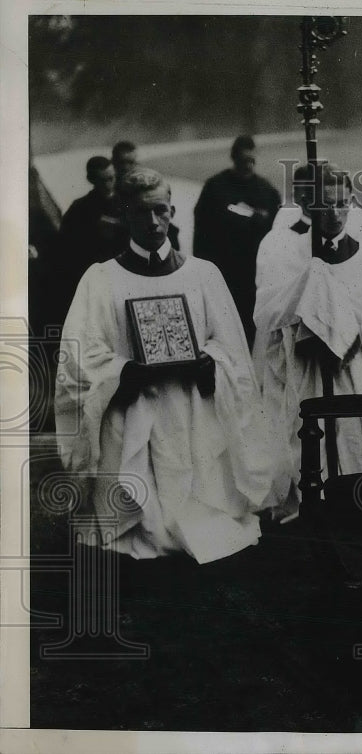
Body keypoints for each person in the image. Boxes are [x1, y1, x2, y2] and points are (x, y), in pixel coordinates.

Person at [55, 168, 274, 563]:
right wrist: (123, 372)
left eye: (160, 211)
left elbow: (231, 350)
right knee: (142, 516)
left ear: (172, 211)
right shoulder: (101, 279)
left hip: (191, 409)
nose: (153, 223)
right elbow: (80, 358)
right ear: (124, 215)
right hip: (133, 408)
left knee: (207, 517)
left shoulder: (203, 275)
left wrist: (210, 362)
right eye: (141, 213)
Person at [253, 161, 362, 516]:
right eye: (326, 204)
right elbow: (268, 310)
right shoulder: (287, 251)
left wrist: (349, 327)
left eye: (343, 202)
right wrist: (309, 309)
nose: (336, 213)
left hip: (360, 367)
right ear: (309, 205)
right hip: (309, 367)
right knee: (315, 440)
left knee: (361, 433)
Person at [193, 135, 281, 346]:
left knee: (251, 327)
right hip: (223, 269)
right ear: (234, 159)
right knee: (222, 327)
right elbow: (201, 231)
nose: (247, 166)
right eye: (242, 161)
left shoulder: (267, 191)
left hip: (254, 271)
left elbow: (277, 234)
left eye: (251, 161)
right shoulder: (215, 188)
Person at [53, 156, 127, 324]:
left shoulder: (125, 203)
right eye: (102, 180)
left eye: (111, 178)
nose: (109, 184)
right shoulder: (79, 208)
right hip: (92, 275)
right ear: (91, 180)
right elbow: (66, 247)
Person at [113, 139, 181, 250]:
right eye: (121, 162)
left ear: (137, 164)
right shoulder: (107, 193)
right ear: (113, 163)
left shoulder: (147, 187)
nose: (126, 167)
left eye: (130, 163)